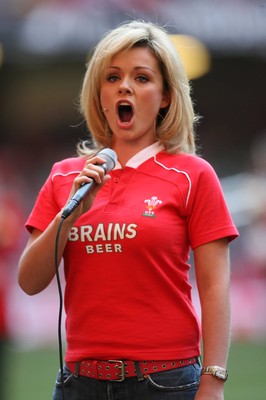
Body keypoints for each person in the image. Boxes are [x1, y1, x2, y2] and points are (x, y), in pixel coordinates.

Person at [18, 20, 239, 400]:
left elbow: (215, 286)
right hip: (78, 383)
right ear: (100, 94)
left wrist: (214, 381)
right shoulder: (65, 177)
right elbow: (30, 281)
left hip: (166, 382)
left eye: (141, 78)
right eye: (113, 77)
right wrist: (71, 213)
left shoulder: (193, 175)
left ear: (166, 96)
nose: (125, 86)